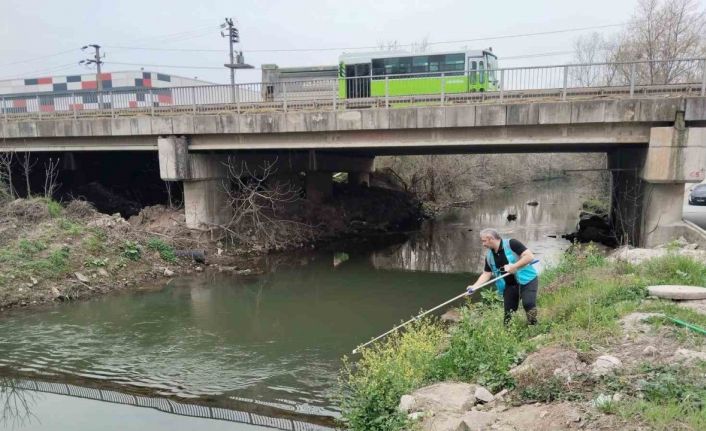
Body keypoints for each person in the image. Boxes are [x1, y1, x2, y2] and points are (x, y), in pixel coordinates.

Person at [466, 228, 539, 325]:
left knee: (528, 304)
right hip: (510, 286)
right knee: (508, 316)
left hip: (527, 280)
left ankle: (533, 326)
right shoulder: (489, 256)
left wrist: (515, 266)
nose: (483, 244)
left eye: (484, 241)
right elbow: (486, 274)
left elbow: (529, 256)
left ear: (491, 238)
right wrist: (475, 286)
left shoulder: (511, 243)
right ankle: (509, 333)